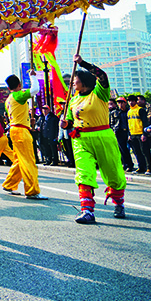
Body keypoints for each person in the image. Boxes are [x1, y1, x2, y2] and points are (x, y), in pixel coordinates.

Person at [60, 54, 127, 224]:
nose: (72, 82)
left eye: (75, 79)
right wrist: (65, 124)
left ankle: (119, 203)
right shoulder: (73, 100)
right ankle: (87, 210)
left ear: (84, 81)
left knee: (113, 172)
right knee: (83, 174)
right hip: (81, 140)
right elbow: (70, 122)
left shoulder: (100, 93)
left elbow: (102, 76)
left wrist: (82, 63)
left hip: (103, 136)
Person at [1, 71, 48, 200]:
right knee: (28, 161)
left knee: (19, 160)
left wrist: (27, 121)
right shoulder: (18, 95)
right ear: (19, 85)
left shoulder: (8, 99)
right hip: (21, 131)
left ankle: (9, 184)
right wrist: (32, 76)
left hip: (16, 129)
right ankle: (32, 191)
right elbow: (35, 90)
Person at [126, 95, 151, 174]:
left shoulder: (140, 110)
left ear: (135, 101)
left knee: (145, 151)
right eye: (129, 101)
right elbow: (128, 123)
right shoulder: (129, 111)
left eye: (132, 101)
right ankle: (141, 167)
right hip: (133, 133)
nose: (131, 102)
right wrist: (129, 134)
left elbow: (145, 122)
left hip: (140, 133)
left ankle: (149, 168)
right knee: (137, 152)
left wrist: (144, 134)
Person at [110, 97, 134, 171]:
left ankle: (142, 165)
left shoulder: (129, 111)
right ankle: (127, 164)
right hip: (119, 132)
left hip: (129, 131)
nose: (120, 104)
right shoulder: (114, 112)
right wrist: (114, 130)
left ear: (125, 103)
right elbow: (112, 123)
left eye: (121, 102)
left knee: (135, 149)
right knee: (123, 149)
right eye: (118, 103)